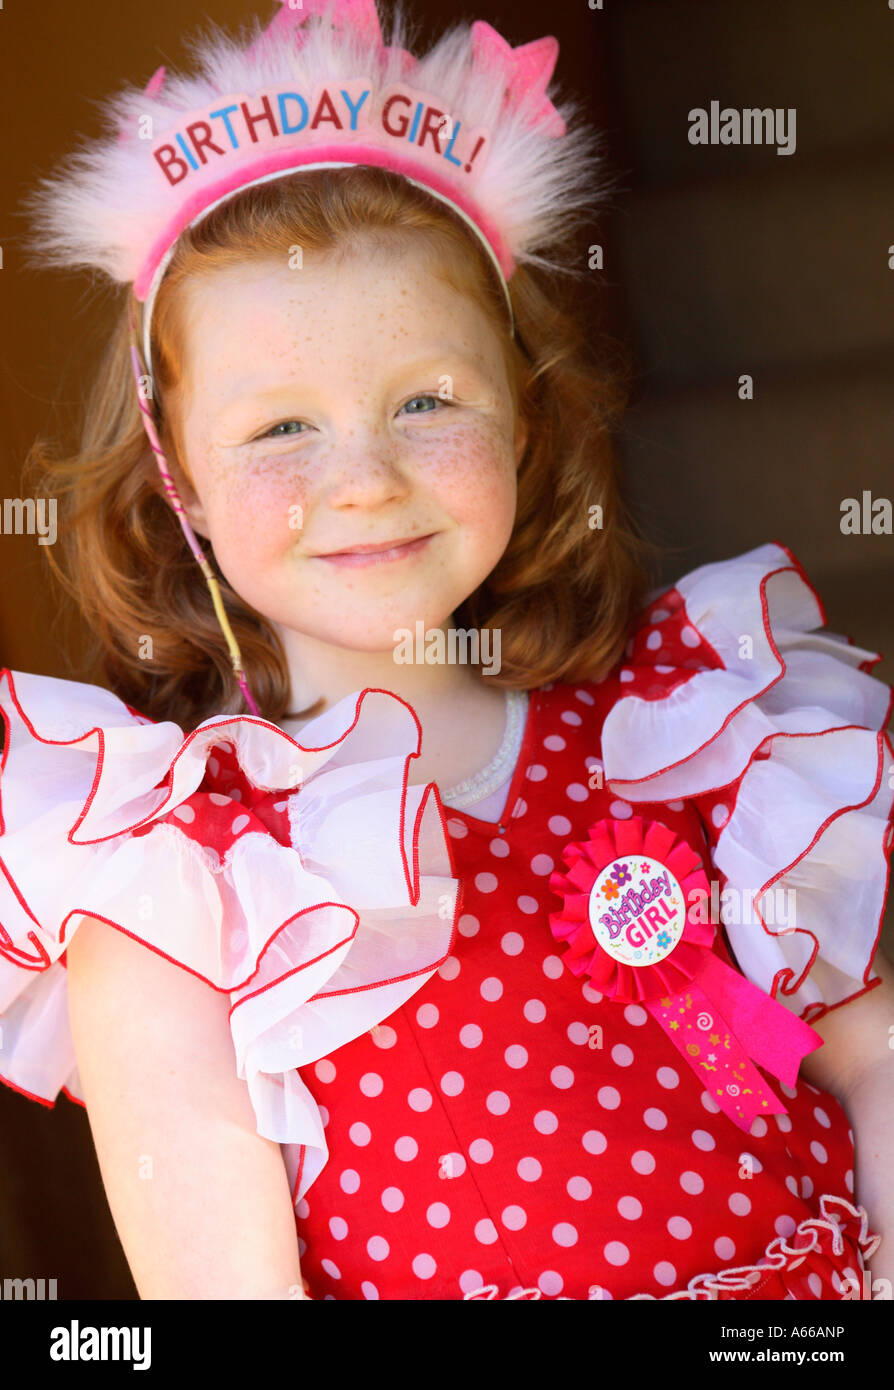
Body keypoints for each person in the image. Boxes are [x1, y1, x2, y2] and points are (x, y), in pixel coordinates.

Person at [1, 0, 892, 1302]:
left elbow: (832, 1056)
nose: (361, 479)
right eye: (278, 428)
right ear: (177, 483)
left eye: (427, 401)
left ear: (525, 422)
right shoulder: (173, 880)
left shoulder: (678, 738)